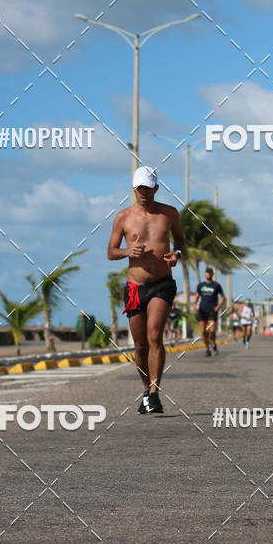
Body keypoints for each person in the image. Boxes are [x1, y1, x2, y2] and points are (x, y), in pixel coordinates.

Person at [107, 166, 185, 414]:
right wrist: (127, 252)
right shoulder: (123, 217)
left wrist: (177, 255)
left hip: (162, 284)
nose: (144, 193)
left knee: (154, 337)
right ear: (134, 188)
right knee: (139, 345)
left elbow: (180, 241)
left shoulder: (169, 213)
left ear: (156, 188)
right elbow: (111, 252)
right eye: (140, 188)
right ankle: (145, 390)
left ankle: (154, 391)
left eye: (148, 189)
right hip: (135, 287)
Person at [195, 267, 225, 356]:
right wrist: (194, 302)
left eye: (210, 273)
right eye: (207, 272)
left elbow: (223, 297)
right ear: (205, 274)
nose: (208, 274)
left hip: (212, 311)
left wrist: (218, 306)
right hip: (202, 311)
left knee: (211, 330)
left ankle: (214, 344)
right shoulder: (200, 285)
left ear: (212, 274)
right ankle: (208, 350)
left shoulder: (216, 285)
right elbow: (197, 296)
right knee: (204, 331)